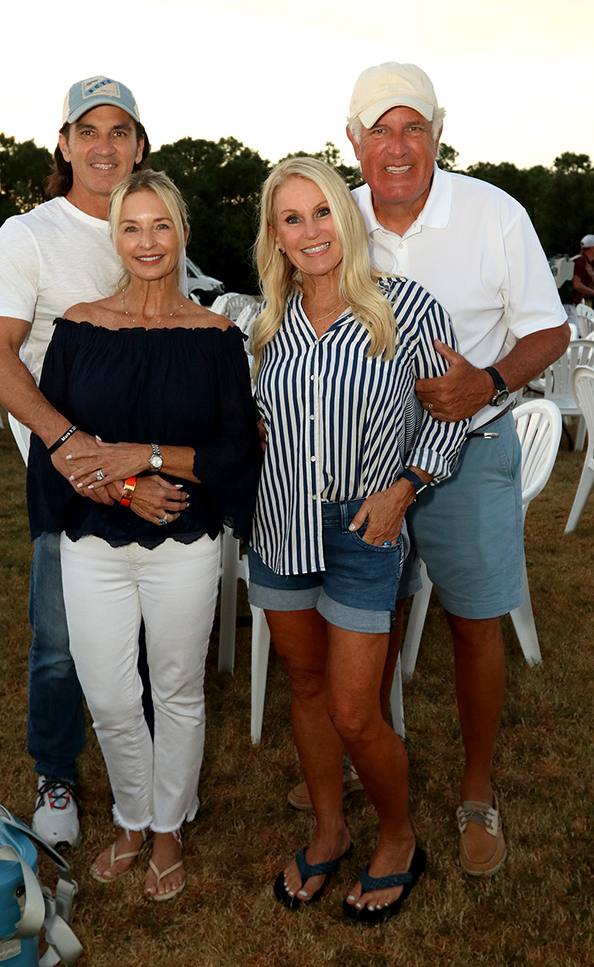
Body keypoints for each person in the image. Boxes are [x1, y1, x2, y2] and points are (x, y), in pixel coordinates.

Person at [339, 61, 569, 877]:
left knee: (473, 622)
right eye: (380, 130)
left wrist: (490, 381)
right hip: (366, 460)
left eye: (413, 127)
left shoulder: (492, 212)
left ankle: (476, 787)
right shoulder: (336, 216)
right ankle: (363, 754)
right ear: (352, 141)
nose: (397, 147)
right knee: (369, 614)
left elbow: (550, 330)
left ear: (438, 134)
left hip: (470, 446)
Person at [27, 168, 260, 898]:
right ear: (114, 237)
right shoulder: (78, 327)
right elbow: (58, 449)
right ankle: (131, 815)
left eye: (161, 226)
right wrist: (126, 485)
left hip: (185, 542)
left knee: (177, 687)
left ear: (183, 233)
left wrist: (147, 456)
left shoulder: (216, 338)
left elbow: (236, 452)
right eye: (131, 227)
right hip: (91, 540)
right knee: (108, 693)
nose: (147, 241)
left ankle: (166, 827)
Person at [249, 157, 468, 924]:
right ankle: (330, 830)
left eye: (321, 212)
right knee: (306, 689)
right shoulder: (265, 323)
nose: (310, 231)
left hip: (365, 528)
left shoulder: (405, 307)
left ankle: (398, 839)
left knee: (352, 710)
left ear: (346, 218)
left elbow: (450, 414)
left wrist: (403, 489)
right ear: (275, 236)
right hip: (279, 525)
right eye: (291, 218)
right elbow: (255, 422)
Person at [0, 75, 149, 847]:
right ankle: (55, 773)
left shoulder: (151, 224)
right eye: (89, 131)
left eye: (119, 131)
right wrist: (66, 441)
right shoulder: (30, 234)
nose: (104, 145)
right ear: (65, 143)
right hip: (66, 467)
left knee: (145, 627)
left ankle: (143, 770)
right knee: (59, 639)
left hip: (147, 462)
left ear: (138, 146)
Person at [572, 234, 594, 307]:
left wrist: (592, 274)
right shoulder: (581, 261)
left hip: (575, 304)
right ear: (593, 248)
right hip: (570, 304)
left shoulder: (587, 262)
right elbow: (576, 284)